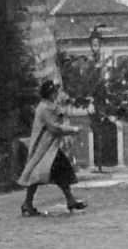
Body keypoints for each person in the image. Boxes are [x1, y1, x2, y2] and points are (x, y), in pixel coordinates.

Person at [17, 80, 86, 216]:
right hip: (44, 148)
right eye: (54, 92)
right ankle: (28, 203)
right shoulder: (44, 108)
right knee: (37, 175)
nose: (56, 94)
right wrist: (73, 129)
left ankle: (69, 200)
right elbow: (54, 128)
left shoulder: (49, 106)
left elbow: (60, 116)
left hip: (50, 148)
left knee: (58, 172)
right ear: (49, 94)